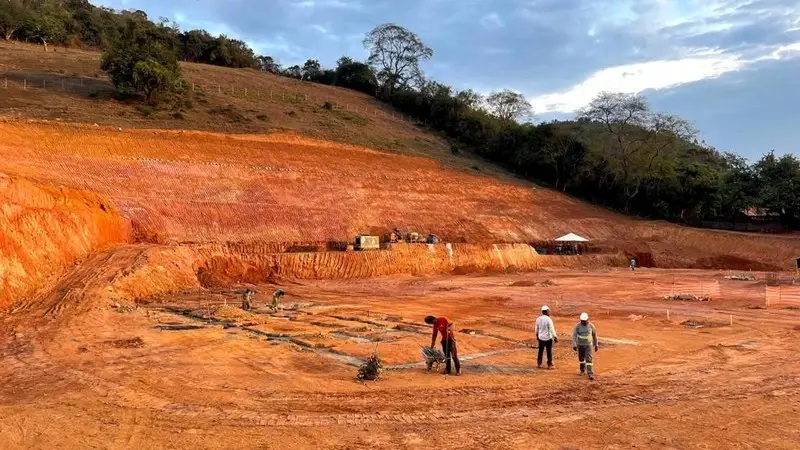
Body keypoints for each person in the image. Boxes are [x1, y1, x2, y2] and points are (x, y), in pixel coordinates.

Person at [571, 312, 598, 380]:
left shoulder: (591, 326)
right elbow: (574, 335)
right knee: (581, 358)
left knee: (589, 359)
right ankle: (582, 370)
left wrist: (596, 344)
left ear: (588, 319)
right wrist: (574, 344)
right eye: (582, 321)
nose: (584, 322)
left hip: (588, 345)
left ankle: (590, 373)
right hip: (580, 345)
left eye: (585, 321)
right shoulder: (577, 326)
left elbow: (595, 336)